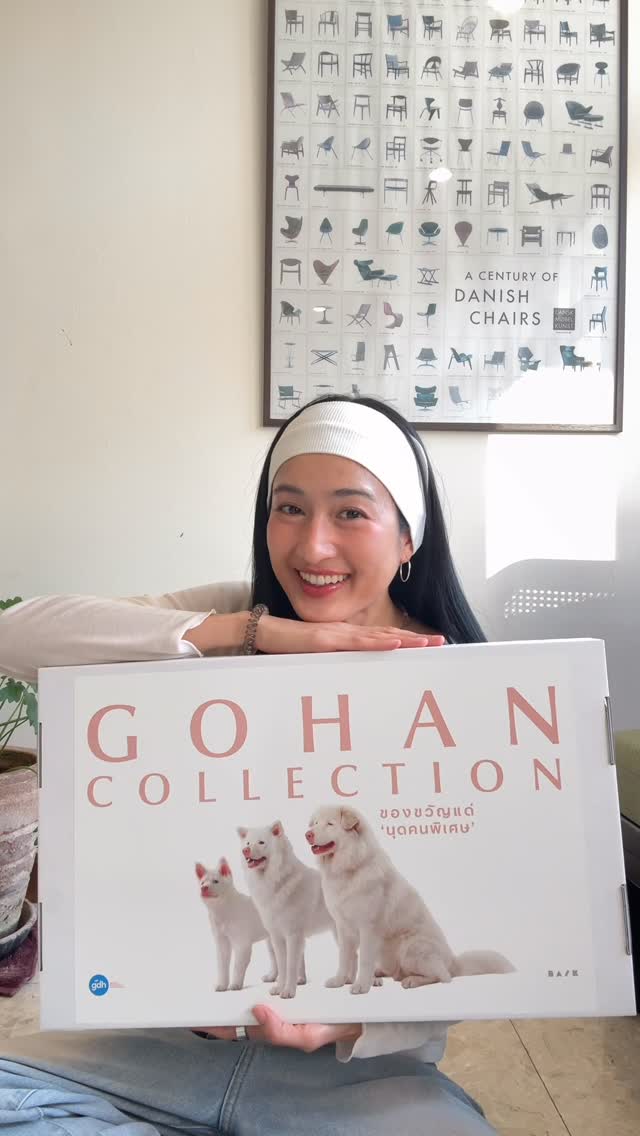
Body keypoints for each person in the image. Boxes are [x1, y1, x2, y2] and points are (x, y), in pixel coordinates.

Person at [0, 396, 493, 1136]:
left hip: (354, 1079)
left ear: (407, 538)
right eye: (289, 508)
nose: (314, 546)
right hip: (138, 1056)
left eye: (350, 513)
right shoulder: (243, 615)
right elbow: (14, 635)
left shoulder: (474, 684)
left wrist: (350, 1021)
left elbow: (482, 923)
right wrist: (256, 633)